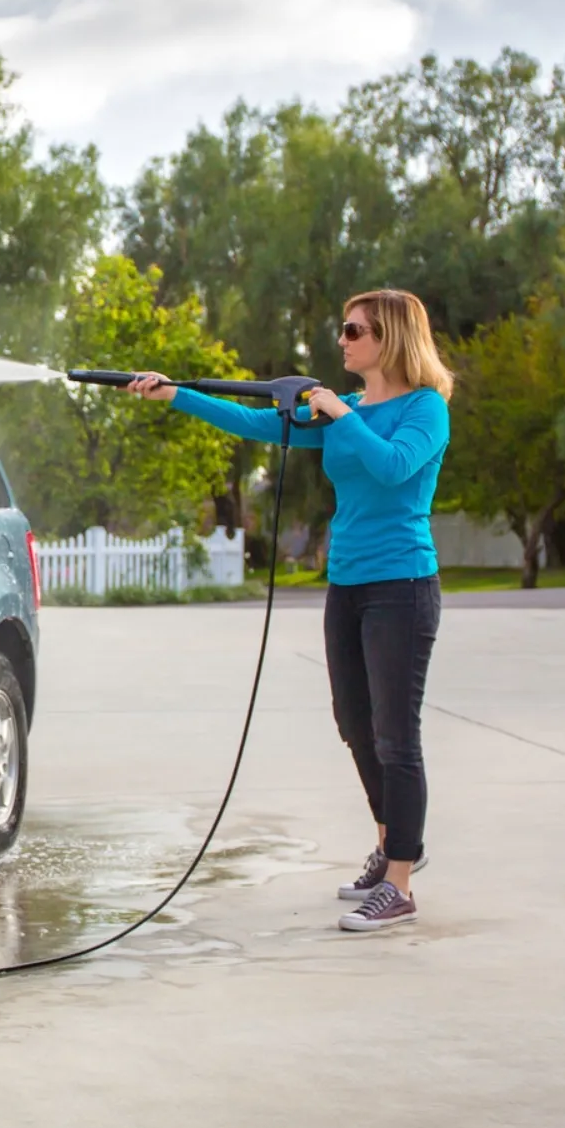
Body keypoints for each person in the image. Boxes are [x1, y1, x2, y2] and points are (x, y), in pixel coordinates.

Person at [124, 289, 452, 932]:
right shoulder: (347, 409)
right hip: (349, 585)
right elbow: (255, 424)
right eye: (343, 327)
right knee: (354, 723)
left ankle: (402, 883)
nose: (343, 340)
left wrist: (339, 414)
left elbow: (394, 468)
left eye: (354, 329)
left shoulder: (425, 408)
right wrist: (174, 395)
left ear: (390, 337)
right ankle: (391, 845)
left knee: (395, 734)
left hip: (404, 586)